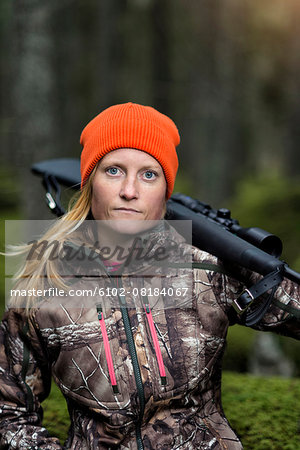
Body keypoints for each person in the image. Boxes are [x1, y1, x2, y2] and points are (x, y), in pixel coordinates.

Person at [0, 102, 299, 449]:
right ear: (88, 181)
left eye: (148, 174)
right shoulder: (43, 282)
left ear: (165, 191)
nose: (130, 190)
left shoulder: (210, 266)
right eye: (113, 170)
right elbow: (8, 411)